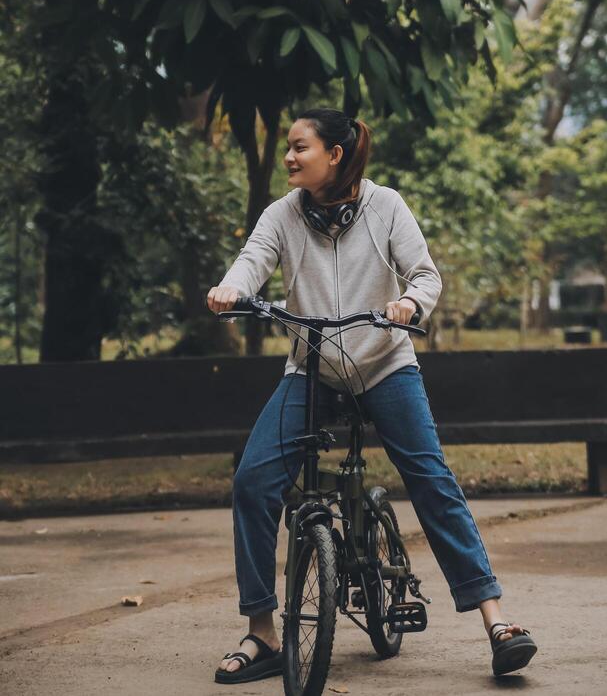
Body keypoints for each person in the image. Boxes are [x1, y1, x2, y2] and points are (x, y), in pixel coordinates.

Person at [206, 107, 537, 683]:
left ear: (334, 154)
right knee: (253, 481)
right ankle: (263, 633)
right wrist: (232, 289)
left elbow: (424, 275)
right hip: (310, 369)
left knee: (432, 481)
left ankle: (497, 623)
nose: (289, 156)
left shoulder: (386, 206)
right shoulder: (282, 215)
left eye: (300, 147)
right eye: (288, 147)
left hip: (385, 365)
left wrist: (409, 304)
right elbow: (252, 261)